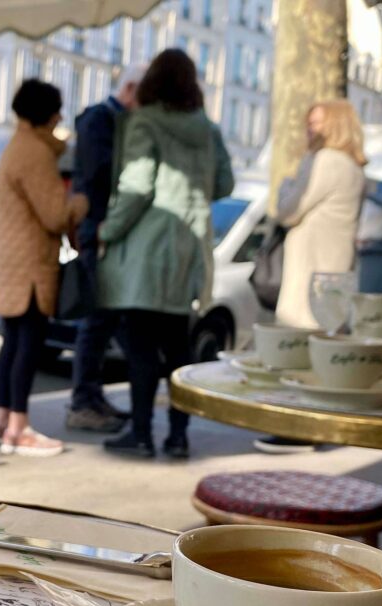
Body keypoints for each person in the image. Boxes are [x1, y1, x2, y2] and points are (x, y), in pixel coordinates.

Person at [96, 49, 234, 459]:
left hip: (147, 248)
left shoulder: (146, 121)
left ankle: (141, 434)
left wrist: (109, 229)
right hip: (188, 248)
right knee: (178, 349)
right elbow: (224, 184)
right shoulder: (208, 131)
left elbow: (138, 187)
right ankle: (178, 435)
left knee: (139, 348)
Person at [255, 99, 367, 454]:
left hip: (309, 270)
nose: (309, 130)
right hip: (334, 269)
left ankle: (297, 427)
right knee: (321, 351)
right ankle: (313, 425)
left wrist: (287, 185)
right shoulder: (353, 166)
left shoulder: (326, 161)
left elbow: (288, 210)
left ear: (334, 125)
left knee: (297, 348)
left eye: (317, 123)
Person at [0, 79, 89, 457]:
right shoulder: (35, 153)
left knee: (11, 344)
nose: (61, 116)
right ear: (45, 113)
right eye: (57, 109)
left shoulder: (15, 146)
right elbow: (55, 216)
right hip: (30, 268)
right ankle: (19, 428)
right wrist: (79, 203)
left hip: (7, 266)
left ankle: (1, 421)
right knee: (27, 345)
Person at [66, 63, 149, 434]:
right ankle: (83, 401)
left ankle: (92, 397)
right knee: (97, 320)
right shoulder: (99, 121)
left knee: (105, 320)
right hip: (99, 231)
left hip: (104, 229)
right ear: (131, 89)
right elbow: (100, 173)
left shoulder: (106, 120)